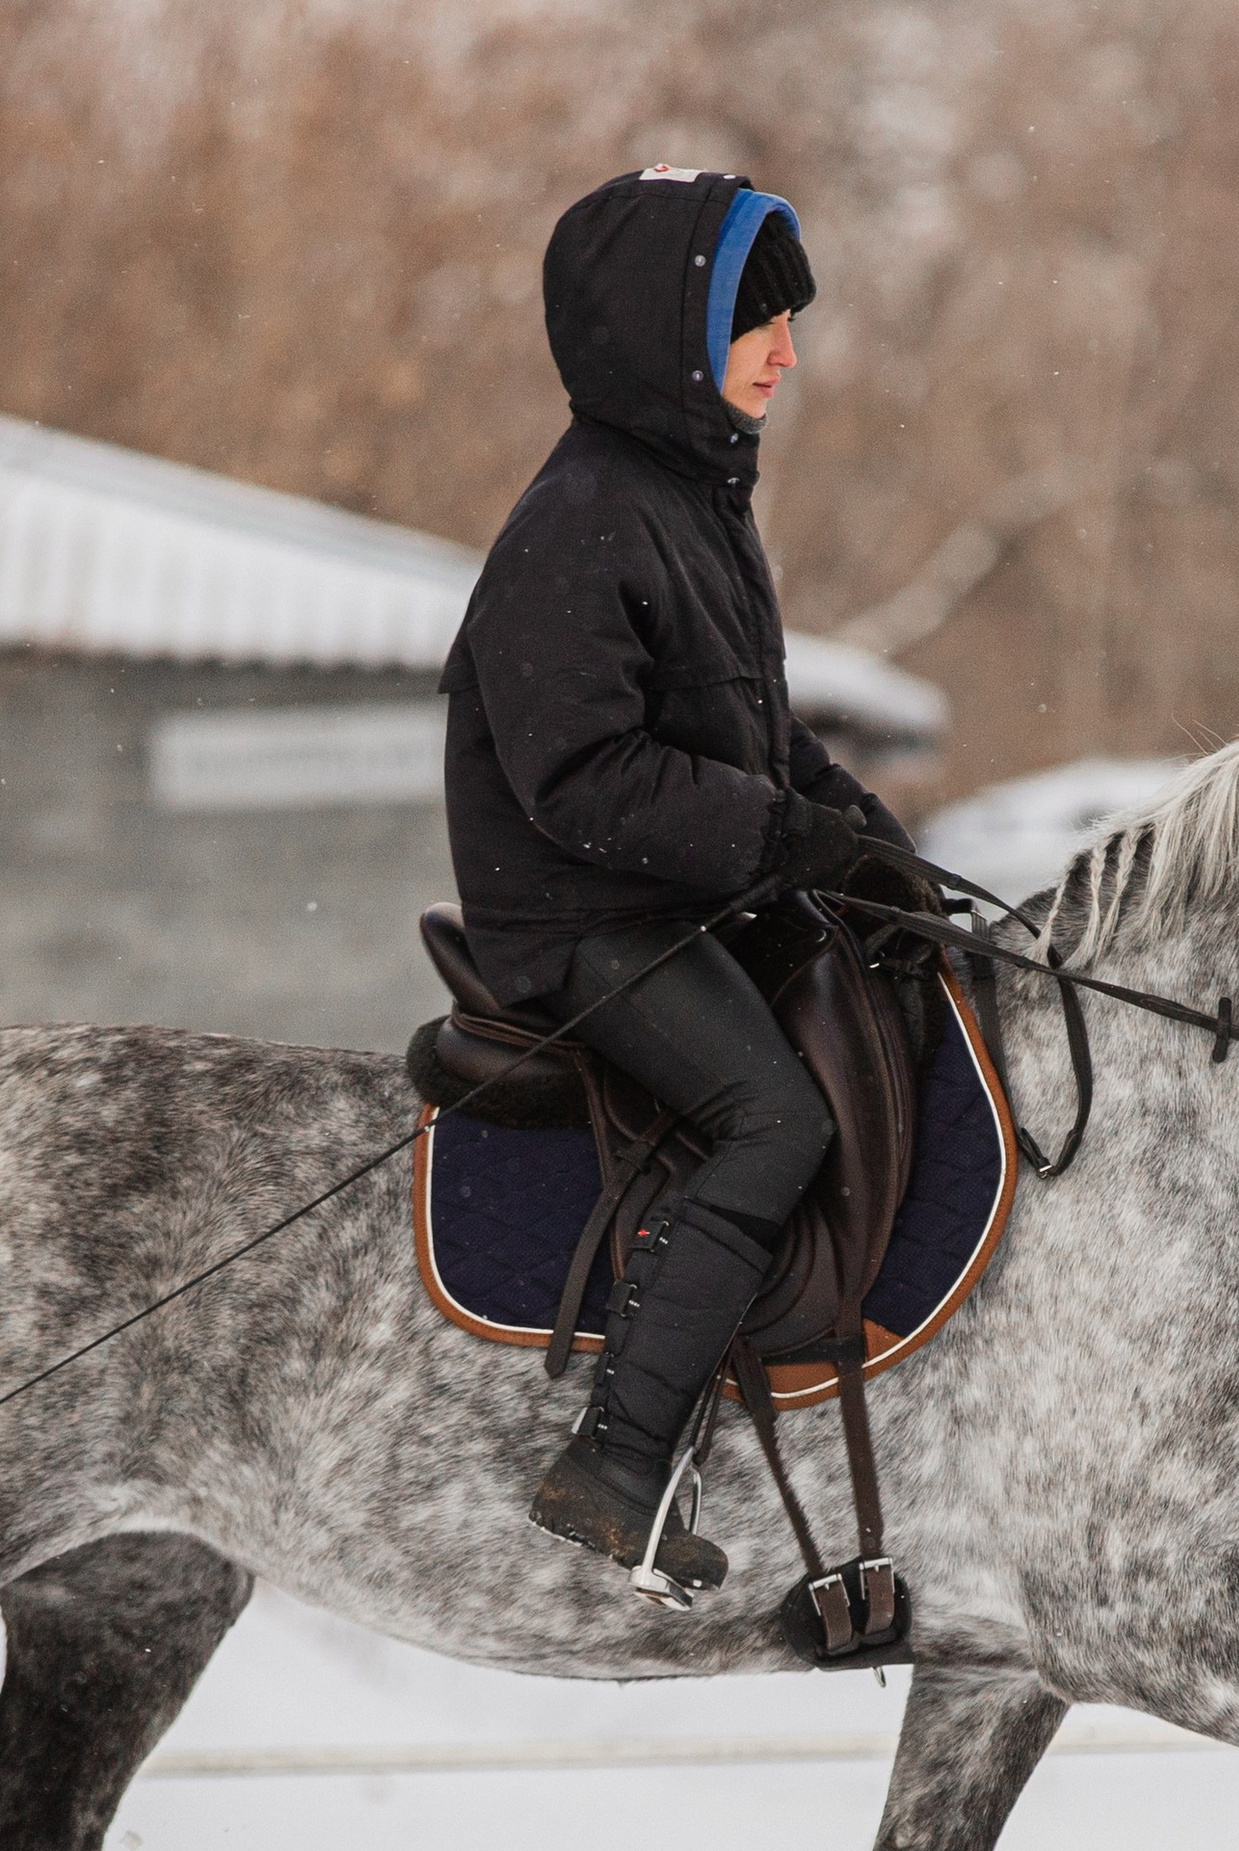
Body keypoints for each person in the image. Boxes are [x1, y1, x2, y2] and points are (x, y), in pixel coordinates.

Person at [438, 168, 914, 1598]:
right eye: (759, 320)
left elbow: (757, 739)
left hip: (676, 905)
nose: (787, 350)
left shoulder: (691, 503)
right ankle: (620, 1461)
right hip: (584, 924)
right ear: (667, 329)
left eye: (791, 322)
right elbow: (578, 778)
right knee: (772, 1116)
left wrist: (877, 846)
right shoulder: (580, 519)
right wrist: (781, 843)